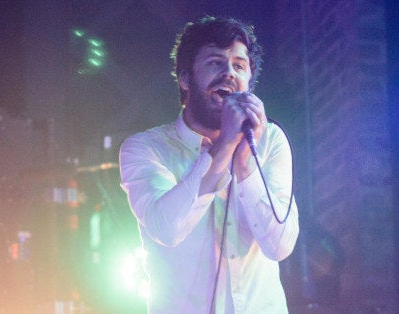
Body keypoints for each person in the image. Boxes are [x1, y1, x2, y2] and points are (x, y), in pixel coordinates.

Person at [119, 16, 299, 313]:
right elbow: (166, 229)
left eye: (239, 66)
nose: (229, 73)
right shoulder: (146, 148)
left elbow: (279, 246)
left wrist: (244, 163)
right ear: (185, 78)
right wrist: (226, 145)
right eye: (215, 63)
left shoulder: (270, 141)